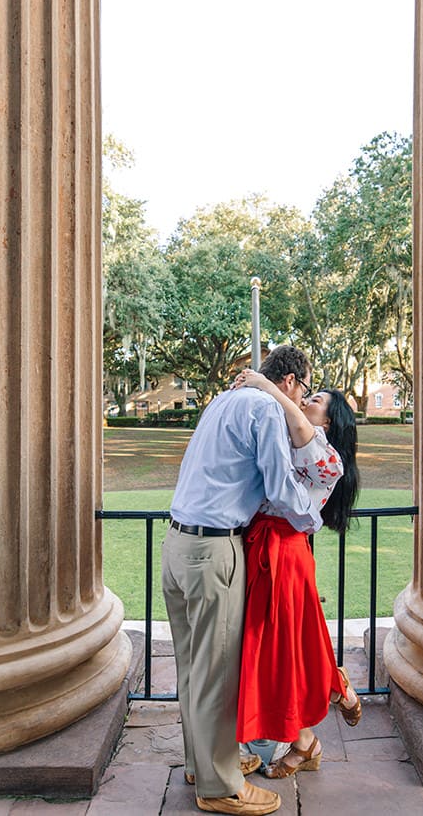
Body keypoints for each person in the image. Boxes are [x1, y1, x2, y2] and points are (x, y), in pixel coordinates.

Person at [164, 345, 323, 816]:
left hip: (176, 544)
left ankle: (202, 764)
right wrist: (312, 512)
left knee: (193, 667)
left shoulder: (222, 400)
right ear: (290, 381)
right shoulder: (264, 407)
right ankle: (221, 787)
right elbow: (278, 484)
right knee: (217, 672)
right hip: (214, 549)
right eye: (304, 391)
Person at [231, 367, 363, 779]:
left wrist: (266, 385)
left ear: (330, 421)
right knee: (278, 646)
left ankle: (314, 717)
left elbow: (301, 430)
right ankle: (319, 709)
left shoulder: (328, 459)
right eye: (309, 395)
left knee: (276, 648)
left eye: (317, 401)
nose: (307, 401)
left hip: (285, 553)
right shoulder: (284, 439)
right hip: (260, 547)